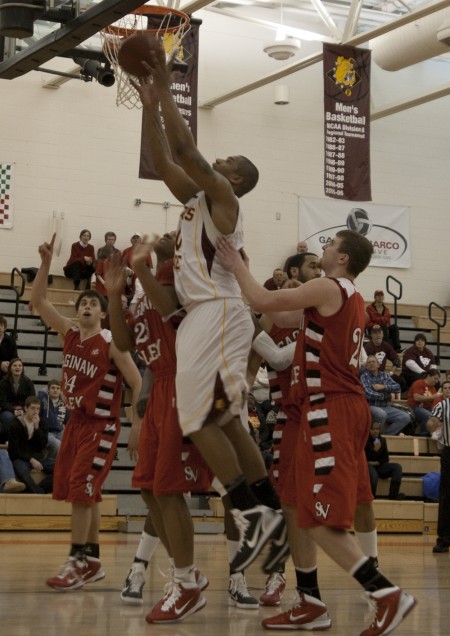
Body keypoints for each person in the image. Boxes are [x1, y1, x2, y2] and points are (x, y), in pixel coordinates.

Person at [216, 229, 416, 635]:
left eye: (330, 245)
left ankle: (384, 593)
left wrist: (234, 264)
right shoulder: (341, 296)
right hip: (320, 409)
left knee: (320, 517)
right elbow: (281, 316)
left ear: (343, 258)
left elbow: (262, 301)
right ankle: (309, 600)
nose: (322, 248)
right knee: (293, 503)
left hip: (332, 408)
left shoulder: (330, 286)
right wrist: (247, 274)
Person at [134, 48, 285, 577]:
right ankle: (269, 511)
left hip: (218, 312)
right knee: (222, 418)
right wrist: (149, 106)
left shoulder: (225, 199)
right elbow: (164, 159)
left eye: (228, 163)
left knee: (199, 418)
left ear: (236, 180)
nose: (219, 162)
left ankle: (256, 515)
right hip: (207, 315)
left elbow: (184, 147)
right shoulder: (196, 200)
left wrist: (164, 85)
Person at [106, 235, 213, 622]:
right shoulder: (143, 289)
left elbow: (169, 307)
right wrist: (115, 295)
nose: (167, 233)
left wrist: (139, 268)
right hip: (161, 389)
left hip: (184, 383)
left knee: (169, 490)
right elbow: (122, 342)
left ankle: (185, 583)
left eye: (176, 232)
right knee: (150, 490)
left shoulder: (175, 270)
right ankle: (190, 575)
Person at [30, 233, 142, 592]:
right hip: (75, 423)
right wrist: (46, 262)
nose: (86, 308)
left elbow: (139, 383)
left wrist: (136, 424)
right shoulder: (70, 333)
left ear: (103, 312)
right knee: (84, 491)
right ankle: (92, 561)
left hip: (102, 424)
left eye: (93, 304)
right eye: (82, 304)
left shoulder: (111, 345)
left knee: (81, 489)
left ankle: (74, 561)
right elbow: (38, 301)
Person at [7, 395, 55, 494]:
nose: (35, 411)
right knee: (23, 473)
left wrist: (37, 428)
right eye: (32, 408)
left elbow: (42, 445)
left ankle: (40, 489)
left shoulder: (42, 423)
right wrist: (30, 459)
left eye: (38, 408)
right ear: (25, 408)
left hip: (39, 458)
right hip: (21, 459)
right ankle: (39, 494)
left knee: (62, 467)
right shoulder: (15, 424)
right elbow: (14, 450)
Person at [360, 356, 411, 435]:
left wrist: (383, 386)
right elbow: (368, 394)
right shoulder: (364, 376)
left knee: (405, 417)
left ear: (378, 365)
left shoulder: (384, 375)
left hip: (386, 406)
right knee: (381, 414)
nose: (371, 364)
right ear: (366, 366)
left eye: (373, 362)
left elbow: (397, 387)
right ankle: (376, 437)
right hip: (371, 406)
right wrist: (386, 396)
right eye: (369, 362)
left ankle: (385, 436)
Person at [427, 398, 450, 553]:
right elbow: (432, 421)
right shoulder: (443, 405)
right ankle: (443, 539)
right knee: (447, 496)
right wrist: (432, 424)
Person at [365, 422, 405, 500]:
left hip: (379, 465)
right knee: (374, 475)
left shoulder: (382, 440)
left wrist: (377, 462)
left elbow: (385, 458)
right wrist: (374, 450)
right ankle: (371, 497)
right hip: (367, 466)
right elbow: (363, 457)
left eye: (377, 429)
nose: (375, 431)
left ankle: (393, 494)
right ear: (369, 430)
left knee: (397, 467)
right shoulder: (365, 441)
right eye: (373, 429)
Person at [0, 358, 36, 443]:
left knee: (27, 418)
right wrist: (14, 410)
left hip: (25, 410)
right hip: (7, 410)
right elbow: (2, 401)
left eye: (20, 365)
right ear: (10, 368)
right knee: (8, 417)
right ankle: (10, 441)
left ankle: (24, 442)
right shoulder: (3, 382)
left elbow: (31, 399)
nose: (17, 367)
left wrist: (23, 410)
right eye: (15, 365)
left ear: (22, 368)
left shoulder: (28, 382)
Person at [363, 325, 406, 392]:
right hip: (370, 374)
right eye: (375, 333)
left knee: (401, 381)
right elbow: (364, 364)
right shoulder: (367, 347)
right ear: (371, 335)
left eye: (380, 332)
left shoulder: (386, 345)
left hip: (382, 374)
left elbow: (396, 360)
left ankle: (392, 396)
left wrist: (391, 372)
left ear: (383, 334)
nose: (378, 335)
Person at [37, 379, 70, 459]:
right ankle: (50, 463)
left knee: (71, 443)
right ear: (48, 390)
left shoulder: (64, 403)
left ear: (61, 391)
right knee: (57, 444)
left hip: (59, 431)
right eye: (53, 388)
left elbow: (68, 421)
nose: (55, 390)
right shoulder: (42, 399)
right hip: (46, 432)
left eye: (58, 388)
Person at [407, 368, 440, 435]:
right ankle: (423, 434)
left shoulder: (433, 388)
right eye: (435, 378)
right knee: (428, 415)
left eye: (437, 379)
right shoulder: (418, 383)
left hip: (427, 407)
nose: (436, 381)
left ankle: (435, 434)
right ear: (429, 376)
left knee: (439, 415)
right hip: (415, 407)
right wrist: (432, 397)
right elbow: (416, 398)